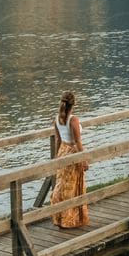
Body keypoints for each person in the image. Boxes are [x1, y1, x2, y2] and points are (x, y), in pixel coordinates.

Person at [50, 90, 89, 229]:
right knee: (72, 186)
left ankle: (60, 218)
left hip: (62, 151)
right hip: (72, 152)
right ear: (74, 103)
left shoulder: (57, 118)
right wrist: (83, 159)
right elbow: (78, 141)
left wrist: (56, 156)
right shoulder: (73, 120)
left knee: (61, 185)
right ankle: (70, 219)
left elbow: (58, 140)